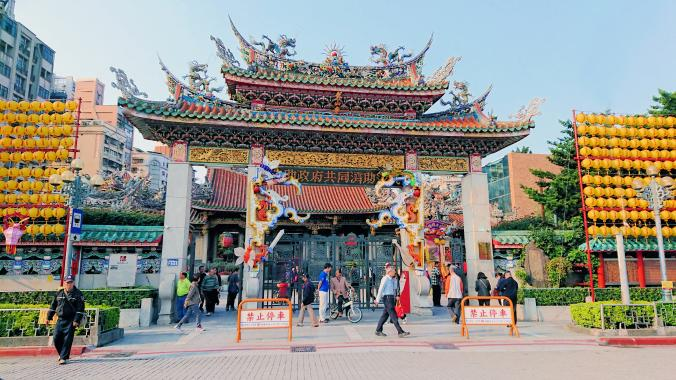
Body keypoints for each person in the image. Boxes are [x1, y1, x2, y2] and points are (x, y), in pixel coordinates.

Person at [47, 275, 85, 365]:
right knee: (56, 337)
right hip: (60, 319)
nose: (69, 284)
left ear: (73, 283)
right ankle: (63, 354)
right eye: (67, 282)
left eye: (71, 282)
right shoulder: (59, 293)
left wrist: (76, 320)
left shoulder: (78, 294)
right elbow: (53, 306)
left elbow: (80, 309)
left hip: (71, 320)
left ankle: (63, 357)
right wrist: (49, 317)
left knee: (67, 339)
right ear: (64, 283)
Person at [374, 264, 409, 337]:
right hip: (387, 298)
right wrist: (377, 300)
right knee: (393, 315)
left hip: (391, 298)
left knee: (385, 316)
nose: (395, 272)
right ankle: (400, 332)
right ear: (389, 272)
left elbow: (395, 288)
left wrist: (396, 295)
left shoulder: (392, 279)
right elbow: (381, 289)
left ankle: (378, 330)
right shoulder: (385, 279)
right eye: (394, 271)